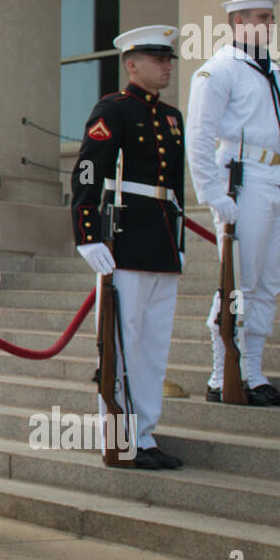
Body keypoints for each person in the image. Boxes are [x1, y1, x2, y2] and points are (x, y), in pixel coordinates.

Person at [71, 25, 185, 469]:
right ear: (132, 64)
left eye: (169, 58)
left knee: (154, 347)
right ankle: (119, 438)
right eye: (158, 59)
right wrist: (87, 233)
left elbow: (172, 185)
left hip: (160, 242)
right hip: (125, 240)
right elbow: (86, 171)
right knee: (120, 345)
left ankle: (146, 434)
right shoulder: (113, 109)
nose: (166, 66)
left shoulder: (172, 116)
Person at [185, 0, 280, 407]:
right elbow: (199, 136)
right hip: (244, 179)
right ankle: (222, 375)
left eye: (271, 18)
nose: (269, 24)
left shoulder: (278, 73)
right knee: (239, 281)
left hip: (279, 178)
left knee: (269, 282)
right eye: (261, 17)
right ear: (237, 22)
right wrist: (212, 193)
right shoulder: (218, 70)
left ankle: (254, 371)